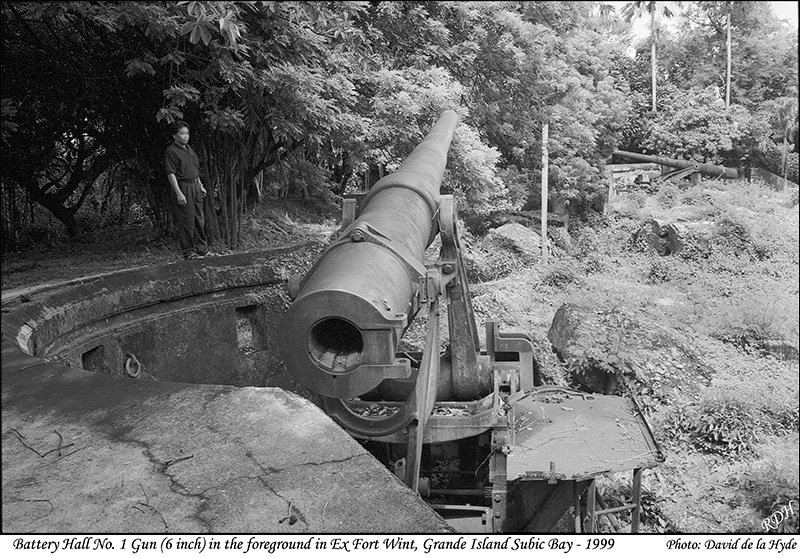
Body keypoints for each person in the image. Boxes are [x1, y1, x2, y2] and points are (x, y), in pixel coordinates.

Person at [164, 121, 211, 259]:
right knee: (186, 220)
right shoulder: (171, 151)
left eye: (187, 133)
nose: (185, 136)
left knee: (199, 218)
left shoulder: (189, 149)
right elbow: (171, 173)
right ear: (174, 135)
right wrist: (179, 193)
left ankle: (202, 249)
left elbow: (195, 169)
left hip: (195, 186)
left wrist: (200, 185)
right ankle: (189, 252)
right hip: (183, 186)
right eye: (182, 133)